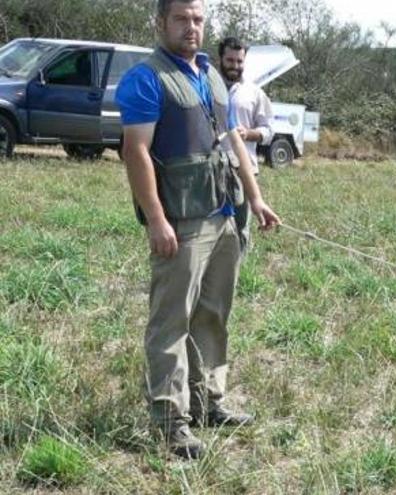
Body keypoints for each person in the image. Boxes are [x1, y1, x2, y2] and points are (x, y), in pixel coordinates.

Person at [116, 0, 280, 459]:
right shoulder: (145, 78)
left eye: (198, 19)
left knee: (212, 314)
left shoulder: (210, 74)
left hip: (225, 212)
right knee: (171, 321)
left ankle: (209, 401)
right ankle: (171, 422)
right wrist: (156, 219)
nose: (192, 27)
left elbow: (233, 140)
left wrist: (256, 197)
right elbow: (136, 153)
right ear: (161, 23)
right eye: (182, 19)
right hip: (182, 221)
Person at [218, 36, 275, 253]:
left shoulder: (254, 92)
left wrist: (250, 134)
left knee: (240, 228)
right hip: (211, 169)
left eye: (239, 61)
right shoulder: (207, 87)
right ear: (221, 59)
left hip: (244, 171)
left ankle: (237, 275)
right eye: (230, 60)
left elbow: (269, 131)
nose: (235, 66)